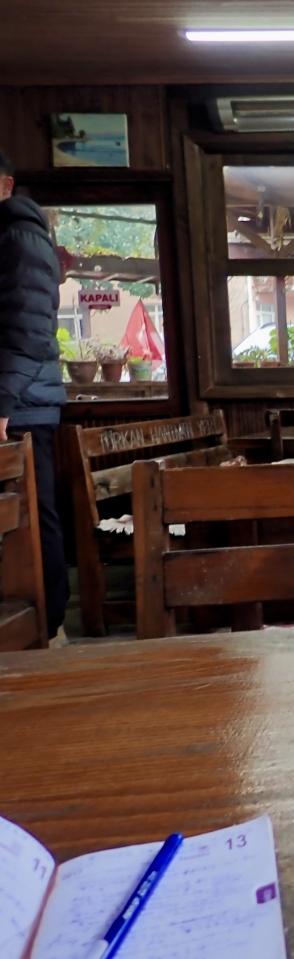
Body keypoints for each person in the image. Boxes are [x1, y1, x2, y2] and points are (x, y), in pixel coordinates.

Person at [0, 151, 69, 637]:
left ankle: (48, 627)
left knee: (31, 515)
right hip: (17, 399)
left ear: (5, 185)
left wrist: (1, 404)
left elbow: (28, 331)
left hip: (20, 404)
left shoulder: (19, 236)